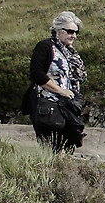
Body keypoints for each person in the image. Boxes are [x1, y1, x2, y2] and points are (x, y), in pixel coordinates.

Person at [27, 10, 87, 151]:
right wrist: (61, 91)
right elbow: (36, 74)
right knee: (50, 147)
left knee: (68, 147)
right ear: (57, 30)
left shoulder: (70, 53)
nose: (73, 36)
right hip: (47, 105)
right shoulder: (45, 46)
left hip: (66, 107)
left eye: (76, 32)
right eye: (70, 31)